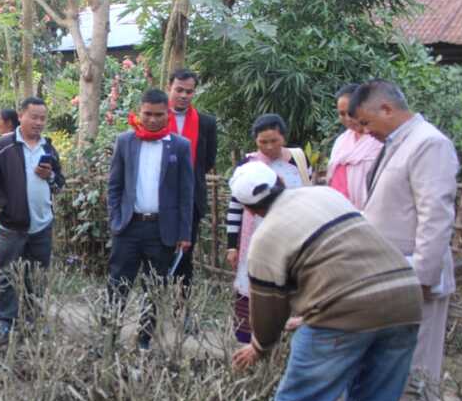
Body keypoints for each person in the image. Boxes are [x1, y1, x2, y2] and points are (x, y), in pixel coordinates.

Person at [229, 162, 422, 401]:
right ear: (280, 181)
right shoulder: (326, 195)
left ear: (249, 209)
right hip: (404, 300)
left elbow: (268, 311)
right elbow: (347, 259)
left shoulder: (265, 239)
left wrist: (259, 346)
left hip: (343, 314)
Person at [349, 79, 459, 401]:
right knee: (396, 360)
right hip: (392, 274)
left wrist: (422, 276)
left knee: (418, 364)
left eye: (366, 122)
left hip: (417, 279)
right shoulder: (398, 142)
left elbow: (435, 215)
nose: (365, 131)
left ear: (387, 109)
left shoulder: (430, 144)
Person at [107, 89, 194, 351]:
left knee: (155, 287)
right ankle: (109, 337)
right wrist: (116, 219)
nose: (153, 120)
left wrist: (184, 232)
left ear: (168, 114)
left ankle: (144, 340)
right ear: (139, 112)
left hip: (162, 230)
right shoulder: (125, 141)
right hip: (129, 226)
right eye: (147, 114)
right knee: (118, 284)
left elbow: (186, 193)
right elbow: (114, 185)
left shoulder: (180, 146)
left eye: (158, 115)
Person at [226, 114, 311, 343]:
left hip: (292, 238)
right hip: (254, 237)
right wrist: (232, 246)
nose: (269, 146)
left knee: (289, 282)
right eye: (263, 142)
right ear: (255, 141)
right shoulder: (248, 164)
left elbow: (308, 192)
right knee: (252, 282)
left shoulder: (298, 160)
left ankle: (286, 339)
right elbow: (235, 207)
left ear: (284, 137)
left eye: (274, 140)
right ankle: (249, 340)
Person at [0, 97, 65, 341]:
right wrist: (3, 209)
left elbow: (59, 184)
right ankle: (4, 321)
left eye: (43, 118)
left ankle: (33, 318)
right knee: (8, 274)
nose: (39, 122)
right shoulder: (2, 146)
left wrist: (50, 175)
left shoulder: (48, 148)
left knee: (37, 275)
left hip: (42, 224)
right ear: (21, 115)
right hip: (12, 224)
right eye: (34, 117)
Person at [166, 69, 218, 288]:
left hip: (191, 199)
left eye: (189, 91)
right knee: (159, 253)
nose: (184, 95)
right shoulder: (155, 118)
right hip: (159, 198)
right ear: (169, 88)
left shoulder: (206, 123)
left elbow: (208, 161)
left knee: (185, 255)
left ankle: (182, 304)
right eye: (179, 90)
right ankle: (155, 301)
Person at [325, 83, 382, 210]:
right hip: (339, 209)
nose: (348, 118)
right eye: (342, 114)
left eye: (351, 113)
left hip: (371, 209)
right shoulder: (341, 141)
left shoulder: (379, 140)